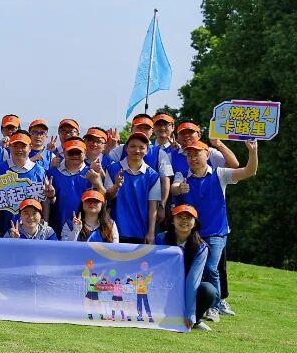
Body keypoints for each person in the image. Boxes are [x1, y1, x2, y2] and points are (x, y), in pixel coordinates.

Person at [171, 138, 259, 322]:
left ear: (207, 155)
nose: (193, 158)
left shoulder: (220, 174)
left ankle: (214, 307)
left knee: (211, 268)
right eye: (189, 155)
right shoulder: (182, 175)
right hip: (192, 233)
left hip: (216, 232)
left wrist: (252, 152)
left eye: (197, 154)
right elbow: (174, 188)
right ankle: (194, 305)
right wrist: (179, 188)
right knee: (192, 270)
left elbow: (249, 171)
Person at [155, 204, 215, 331]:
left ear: (195, 223)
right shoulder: (160, 239)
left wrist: (190, 313)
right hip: (164, 287)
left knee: (208, 290)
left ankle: (194, 320)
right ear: (172, 221)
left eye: (189, 218)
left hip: (187, 287)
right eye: (180, 217)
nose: (184, 220)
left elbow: (193, 280)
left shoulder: (201, 247)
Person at [104, 131, 161, 243]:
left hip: (140, 232)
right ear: (126, 148)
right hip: (115, 232)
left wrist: (151, 232)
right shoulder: (112, 169)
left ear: (147, 150)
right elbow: (108, 197)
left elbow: (153, 207)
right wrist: (116, 186)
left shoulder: (153, 176)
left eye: (141, 147)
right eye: (133, 146)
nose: (137, 150)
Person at [0, 132, 48, 236]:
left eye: (23, 146)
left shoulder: (40, 171)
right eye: (15, 145)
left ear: (30, 147)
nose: (19, 149)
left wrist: (45, 222)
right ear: (10, 147)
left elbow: (45, 201)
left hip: (31, 230)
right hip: (3, 229)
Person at [45, 137, 100, 232]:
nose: (75, 156)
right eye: (71, 152)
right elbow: (46, 202)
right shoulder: (52, 173)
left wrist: (97, 181)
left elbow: (103, 199)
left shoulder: (92, 173)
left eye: (78, 152)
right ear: (64, 153)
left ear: (85, 152)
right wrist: (45, 224)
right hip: (56, 228)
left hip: (85, 229)